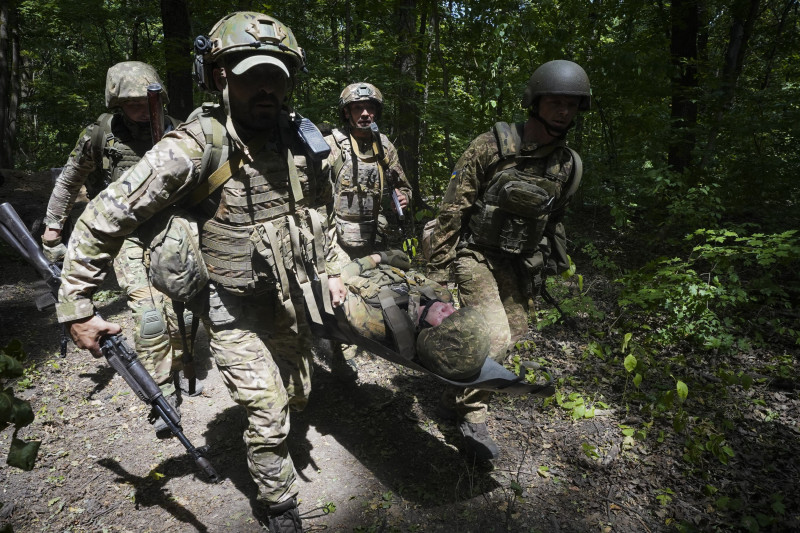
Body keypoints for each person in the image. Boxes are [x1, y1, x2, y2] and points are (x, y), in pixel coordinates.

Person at [54, 12, 345, 533]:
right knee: (269, 408)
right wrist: (78, 306)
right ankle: (280, 507)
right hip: (228, 302)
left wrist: (336, 268)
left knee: (300, 390)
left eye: (277, 77)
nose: (266, 88)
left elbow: (323, 217)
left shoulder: (303, 141)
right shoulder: (192, 147)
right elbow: (102, 217)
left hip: (286, 296)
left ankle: (274, 433)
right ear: (221, 78)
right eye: (252, 75)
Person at [425, 59, 590, 461]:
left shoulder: (567, 164)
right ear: (535, 102)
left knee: (514, 336)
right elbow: (453, 210)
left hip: (518, 262)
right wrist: (435, 278)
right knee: (494, 337)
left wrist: (550, 262)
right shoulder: (490, 147)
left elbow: (554, 220)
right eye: (556, 102)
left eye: (572, 104)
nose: (564, 111)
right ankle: (472, 416)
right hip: (475, 254)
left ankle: (455, 392)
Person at [40, 61, 195, 437]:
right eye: (133, 104)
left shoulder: (177, 130)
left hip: (171, 229)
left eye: (149, 103)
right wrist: (53, 225)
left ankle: (185, 365)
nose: (144, 111)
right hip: (123, 232)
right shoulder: (101, 135)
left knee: (182, 309)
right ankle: (163, 393)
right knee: (147, 314)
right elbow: (69, 179)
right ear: (117, 105)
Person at [324, 82, 412, 381]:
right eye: (358, 108)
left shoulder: (384, 146)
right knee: (340, 296)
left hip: (372, 236)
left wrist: (403, 196)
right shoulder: (332, 145)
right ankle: (341, 357)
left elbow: (402, 184)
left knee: (368, 296)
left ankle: (360, 342)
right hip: (336, 237)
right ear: (346, 112)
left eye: (370, 108)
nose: (365, 113)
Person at [336, 251, 490, 381]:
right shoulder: (442, 296)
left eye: (444, 319)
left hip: (351, 270)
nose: (448, 307)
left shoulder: (371, 321)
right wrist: (394, 259)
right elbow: (410, 273)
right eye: (455, 312)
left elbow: (338, 283)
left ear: (428, 336)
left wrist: (376, 258)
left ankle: (341, 354)